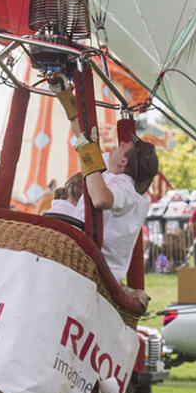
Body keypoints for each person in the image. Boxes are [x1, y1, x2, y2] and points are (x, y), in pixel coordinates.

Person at [54, 84, 158, 288]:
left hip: (90, 264)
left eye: (123, 147)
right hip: (82, 256)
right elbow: (82, 136)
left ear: (123, 162)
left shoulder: (126, 188)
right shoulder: (111, 174)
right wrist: (63, 93)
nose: (118, 146)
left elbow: (101, 199)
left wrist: (86, 152)